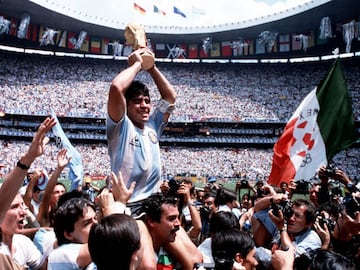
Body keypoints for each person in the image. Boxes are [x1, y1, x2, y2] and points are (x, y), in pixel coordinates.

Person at [107, 47, 176, 211]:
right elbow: (117, 88)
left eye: (147, 100)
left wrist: (151, 67)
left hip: (153, 202)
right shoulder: (121, 127)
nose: (144, 106)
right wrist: (137, 64)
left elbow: (170, 98)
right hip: (129, 204)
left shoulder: (153, 125)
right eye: (138, 101)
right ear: (126, 105)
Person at [0, 117, 56, 269]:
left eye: (21, 206)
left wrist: (60, 244)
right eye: (14, 207)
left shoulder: (22, 244)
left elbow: (44, 267)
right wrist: (28, 158)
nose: (23, 212)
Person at [141, 192, 201, 270]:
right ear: (151, 221)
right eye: (171, 218)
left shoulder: (175, 253)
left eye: (177, 217)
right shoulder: (138, 255)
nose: (178, 223)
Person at [47, 197, 97, 270]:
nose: (96, 224)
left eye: (95, 218)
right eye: (87, 223)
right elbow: (109, 240)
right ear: (68, 234)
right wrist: (109, 207)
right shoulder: (60, 255)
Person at [36, 149, 69, 227]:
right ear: (51, 196)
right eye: (57, 192)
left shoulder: (68, 213)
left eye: (62, 192)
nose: (60, 194)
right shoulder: (46, 213)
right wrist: (59, 169)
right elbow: (47, 194)